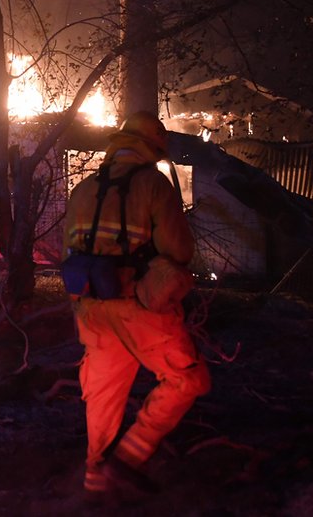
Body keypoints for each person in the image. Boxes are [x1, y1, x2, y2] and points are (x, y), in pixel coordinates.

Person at [63, 111, 211, 498]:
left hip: (91, 307)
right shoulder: (153, 184)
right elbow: (178, 250)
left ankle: (96, 483)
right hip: (137, 306)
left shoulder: (83, 189)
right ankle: (128, 457)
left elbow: (68, 249)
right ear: (152, 147)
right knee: (187, 378)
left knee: (103, 395)